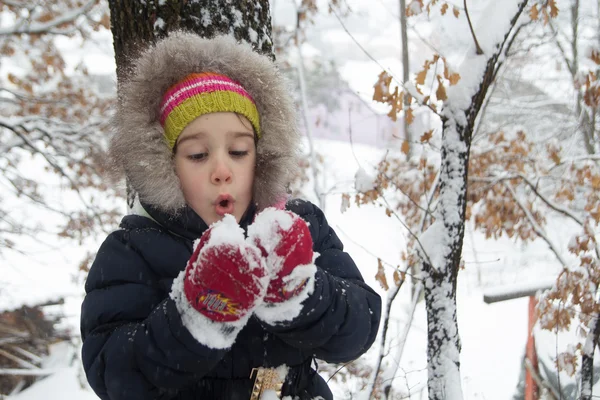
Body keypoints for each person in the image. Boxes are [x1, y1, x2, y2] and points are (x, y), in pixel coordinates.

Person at [80, 31, 382, 400]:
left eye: (238, 150)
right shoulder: (133, 250)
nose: (222, 170)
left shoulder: (299, 223)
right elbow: (113, 371)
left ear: (261, 156)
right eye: (197, 155)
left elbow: (358, 328)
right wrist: (196, 315)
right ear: (166, 165)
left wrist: (303, 292)